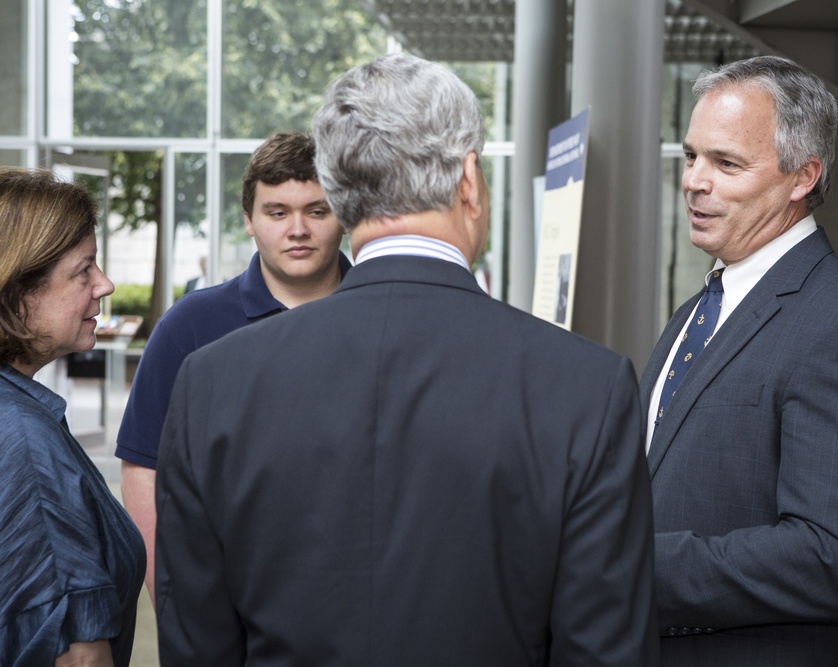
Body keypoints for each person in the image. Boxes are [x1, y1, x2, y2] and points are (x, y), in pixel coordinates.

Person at [155, 53, 657, 666]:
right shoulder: (586, 386)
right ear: (469, 181)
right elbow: (604, 649)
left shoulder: (211, 381)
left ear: (337, 196)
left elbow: (197, 639)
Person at [639, 56, 838, 665]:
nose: (694, 181)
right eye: (692, 157)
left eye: (726, 163)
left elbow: (836, 559)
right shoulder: (697, 309)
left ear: (803, 177)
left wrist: (623, 565)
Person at [116, 131, 351, 602]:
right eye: (278, 212)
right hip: (229, 601)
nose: (298, 229)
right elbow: (145, 467)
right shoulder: (190, 326)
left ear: (343, 215)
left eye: (317, 211)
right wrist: (173, 601)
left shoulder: (381, 314)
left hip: (359, 597)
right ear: (249, 220)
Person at [0, 167, 145, 666]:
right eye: (84, 270)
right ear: (17, 294)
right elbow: (77, 656)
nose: (104, 285)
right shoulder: (24, 445)